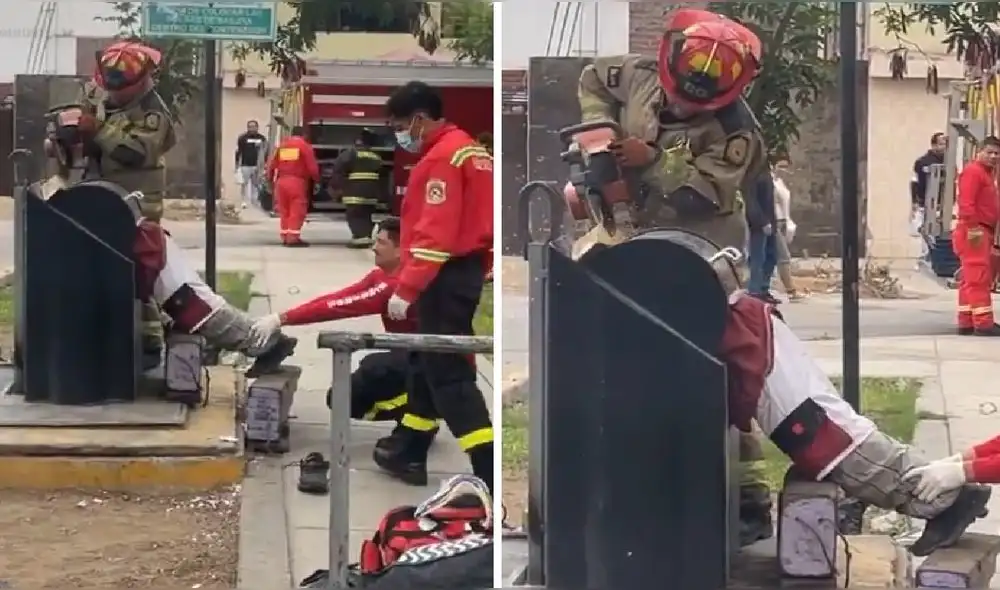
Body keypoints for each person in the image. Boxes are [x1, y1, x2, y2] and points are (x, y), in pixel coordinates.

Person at [659, 228, 991, 558]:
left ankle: (945, 501)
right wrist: (965, 463)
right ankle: (942, 495)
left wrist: (964, 470)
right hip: (737, 321)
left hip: (740, 330)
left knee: (824, 436)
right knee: (826, 429)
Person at [574, 7, 773, 544]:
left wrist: (651, 157)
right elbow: (592, 79)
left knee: (715, 373)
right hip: (633, 239)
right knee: (625, 367)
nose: (684, 104)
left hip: (703, 251)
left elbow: (704, 192)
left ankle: (749, 498)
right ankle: (635, 487)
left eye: (695, 104)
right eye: (679, 95)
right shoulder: (636, 73)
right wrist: (600, 134)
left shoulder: (736, 133)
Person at [247, 217, 441, 490]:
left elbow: (340, 306)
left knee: (364, 381)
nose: (374, 247)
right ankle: (419, 419)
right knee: (352, 386)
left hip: (431, 365)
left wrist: (282, 319)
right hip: (414, 360)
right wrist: (282, 317)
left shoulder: (394, 284)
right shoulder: (381, 275)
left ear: (402, 250)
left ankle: (422, 418)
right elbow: (338, 296)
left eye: (381, 242)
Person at [381, 81, 494, 492]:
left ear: (418, 118)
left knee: (448, 372)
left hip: (443, 275)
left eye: (398, 124)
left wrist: (406, 288)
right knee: (424, 361)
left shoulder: (442, 159)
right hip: (462, 271)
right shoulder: (472, 152)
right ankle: (409, 449)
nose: (399, 134)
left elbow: (435, 234)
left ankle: (489, 469)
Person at [73, 40, 177, 370]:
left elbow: (135, 152)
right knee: (95, 270)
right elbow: (81, 124)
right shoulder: (97, 95)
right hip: (97, 196)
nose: (113, 95)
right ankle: (99, 339)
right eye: (108, 87)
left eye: (122, 90)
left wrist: (98, 131)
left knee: (138, 272)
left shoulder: (154, 114)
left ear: (142, 82)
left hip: (138, 204)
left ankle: (148, 344)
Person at [954, 137, 1000, 336]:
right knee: (979, 277)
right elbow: (966, 202)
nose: (993, 156)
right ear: (978, 151)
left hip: (978, 229)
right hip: (975, 230)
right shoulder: (974, 172)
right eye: (989, 152)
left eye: (997, 153)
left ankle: (966, 320)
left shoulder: (986, 174)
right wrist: (973, 229)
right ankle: (983, 323)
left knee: (970, 278)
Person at [267, 126, 319, 248]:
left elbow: (271, 164)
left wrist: (269, 180)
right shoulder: (304, 146)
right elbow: (312, 167)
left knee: (284, 210)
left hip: (281, 181)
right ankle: (293, 238)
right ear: (304, 134)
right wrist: (317, 180)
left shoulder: (283, 146)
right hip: (297, 181)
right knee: (297, 209)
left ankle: (285, 236)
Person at [332, 128, 384, 248]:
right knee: (366, 214)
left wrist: (337, 189)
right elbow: (383, 176)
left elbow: (338, 171)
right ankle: (365, 236)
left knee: (355, 215)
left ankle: (360, 238)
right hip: (372, 194)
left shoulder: (350, 154)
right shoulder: (376, 157)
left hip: (354, 192)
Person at [771, 157, 804, 301]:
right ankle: (791, 290)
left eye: (786, 167)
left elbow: (785, 206)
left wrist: (788, 222)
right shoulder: (770, 182)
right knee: (783, 257)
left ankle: (766, 288)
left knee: (775, 256)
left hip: (782, 221)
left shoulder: (781, 183)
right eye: (781, 166)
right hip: (774, 221)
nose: (784, 170)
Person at [746, 172, 779, 303]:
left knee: (771, 256)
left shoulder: (766, 174)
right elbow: (750, 202)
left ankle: (764, 289)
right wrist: (761, 221)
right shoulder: (752, 175)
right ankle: (755, 292)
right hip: (759, 225)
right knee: (758, 258)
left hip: (770, 222)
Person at [911, 132, 948, 234]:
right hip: (925, 205)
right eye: (941, 144)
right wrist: (915, 202)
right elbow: (915, 182)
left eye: (946, 144)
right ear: (933, 145)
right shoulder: (922, 162)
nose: (944, 147)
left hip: (944, 206)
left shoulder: (949, 162)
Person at [235, 120, 267, 209]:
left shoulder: (262, 138)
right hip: (245, 165)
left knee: (256, 184)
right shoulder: (242, 138)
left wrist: (265, 164)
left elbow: (265, 152)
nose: (252, 128)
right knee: (244, 184)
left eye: (254, 126)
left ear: (257, 127)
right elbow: (238, 151)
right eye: (250, 126)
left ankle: (255, 200)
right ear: (247, 127)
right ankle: (243, 200)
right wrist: (237, 164)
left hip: (257, 165)